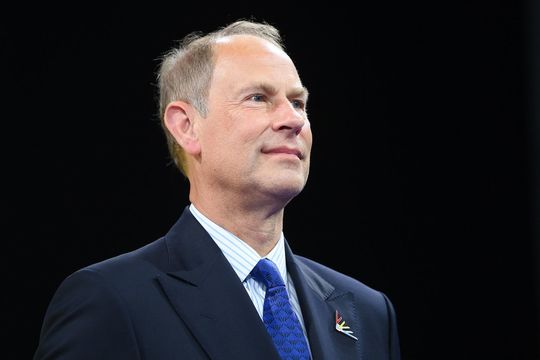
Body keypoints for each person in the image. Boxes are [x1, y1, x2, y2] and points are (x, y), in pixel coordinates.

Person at [33, 19, 401, 360]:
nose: (293, 120)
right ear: (187, 127)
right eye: (258, 97)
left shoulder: (367, 312)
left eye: (298, 103)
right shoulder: (110, 301)